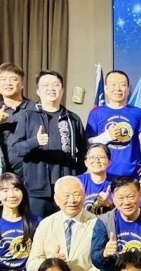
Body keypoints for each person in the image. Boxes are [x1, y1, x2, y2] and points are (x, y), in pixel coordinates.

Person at [8, 70, 89, 216]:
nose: (51, 88)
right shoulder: (28, 116)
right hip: (37, 191)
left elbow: (84, 152)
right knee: (37, 228)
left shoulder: (73, 119)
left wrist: (74, 172)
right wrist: (34, 142)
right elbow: (15, 149)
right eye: (45, 85)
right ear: (38, 91)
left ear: (62, 90)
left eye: (56, 85)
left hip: (66, 190)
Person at [26, 177, 101, 271]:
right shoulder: (45, 224)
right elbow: (31, 263)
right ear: (56, 199)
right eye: (66, 195)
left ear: (84, 196)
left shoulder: (97, 223)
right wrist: (49, 264)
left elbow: (100, 265)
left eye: (76, 194)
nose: (72, 200)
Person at [85, 69, 141, 179]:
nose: (118, 88)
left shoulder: (138, 113)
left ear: (128, 90)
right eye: (113, 84)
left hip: (132, 174)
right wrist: (106, 137)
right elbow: (87, 143)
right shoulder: (96, 113)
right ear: (106, 89)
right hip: (104, 173)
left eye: (122, 85)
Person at [76, 143, 114, 213]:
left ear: (109, 162)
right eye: (92, 157)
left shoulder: (117, 183)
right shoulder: (77, 182)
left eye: (101, 157)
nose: (97, 161)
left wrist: (109, 204)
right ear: (85, 162)